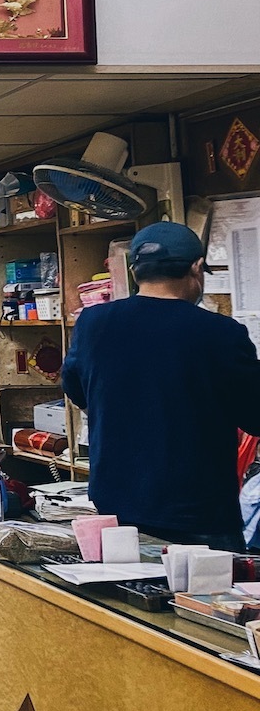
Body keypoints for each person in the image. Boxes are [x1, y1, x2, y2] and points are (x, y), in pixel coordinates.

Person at [62, 221, 260, 551]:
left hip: (116, 508)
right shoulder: (222, 334)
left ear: (135, 269)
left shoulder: (93, 323)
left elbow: (77, 389)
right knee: (205, 602)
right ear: (196, 268)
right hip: (197, 515)